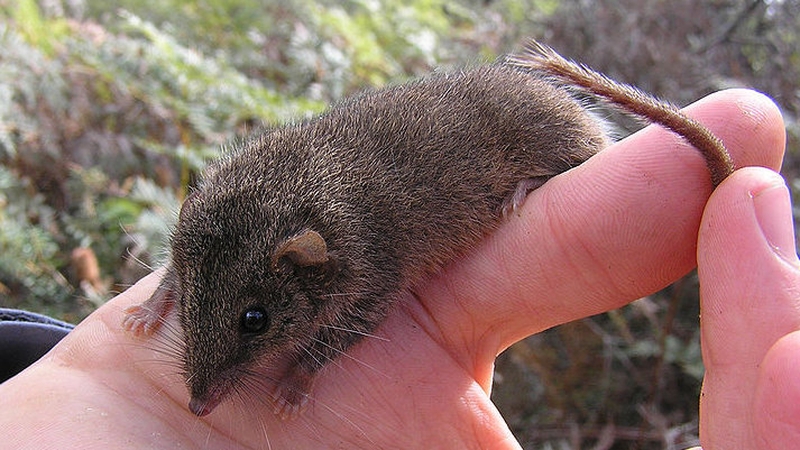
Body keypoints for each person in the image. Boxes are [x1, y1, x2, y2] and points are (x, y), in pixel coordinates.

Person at [0, 89, 794, 449]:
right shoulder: (220, 219)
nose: (205, 397)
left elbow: (367, 304)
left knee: (602, 180)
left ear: (307, 269)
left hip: (523, 128)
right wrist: (169, 300)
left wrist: (304, 368)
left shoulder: (339, 251)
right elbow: (195, 252)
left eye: (253, 328)